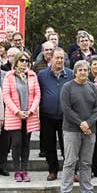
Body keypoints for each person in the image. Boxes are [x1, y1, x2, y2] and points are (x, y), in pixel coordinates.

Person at [59, 60, 97, 193]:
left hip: (90, 130)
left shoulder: (91, 87)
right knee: (70, 162)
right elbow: (66, 109)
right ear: (75, 72)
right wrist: (80, 123)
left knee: (86, 162)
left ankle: (87, 192)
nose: (83, 72)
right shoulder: (67, 87)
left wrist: (88, 123)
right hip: (71, 130)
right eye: (81, 70)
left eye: (85, 70)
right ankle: (65, 192)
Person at [2, 52, 41, 182]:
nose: (24, 63)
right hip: (15, 115)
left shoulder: (32, 76)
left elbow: (37, 94)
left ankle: (25, 170)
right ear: (17, 62)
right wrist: (17, 111)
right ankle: (17, 170)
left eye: (27, 61)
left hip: (29, 115)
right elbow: (6, 96)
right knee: (16, 143)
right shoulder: (9, 76)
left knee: (26, 144)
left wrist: (31, 110)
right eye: (22, 60)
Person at [37, 48, 73, 181]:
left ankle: (70, 171)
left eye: (62, 58)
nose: (59, 60)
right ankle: (53, 170)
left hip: (66, 116)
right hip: (47, 115)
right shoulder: (41, 75)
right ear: (51, 58)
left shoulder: (70, 74)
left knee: (67, 145)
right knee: (49, 145)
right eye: (57, 58)